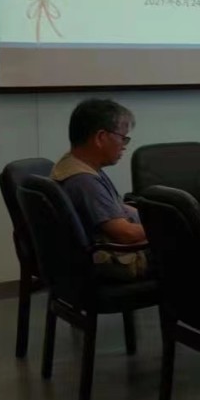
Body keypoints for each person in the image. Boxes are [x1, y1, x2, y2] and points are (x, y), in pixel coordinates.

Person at [50, 98, 147, 279]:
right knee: (193, 249)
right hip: (118, 259)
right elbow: (125, 234)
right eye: (123, 138)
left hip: (97, 253)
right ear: (100, 138)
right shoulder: (84, 182)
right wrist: (166, 228)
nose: (124, 146)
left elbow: (117, 208)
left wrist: (156, 217)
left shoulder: (73, 163)